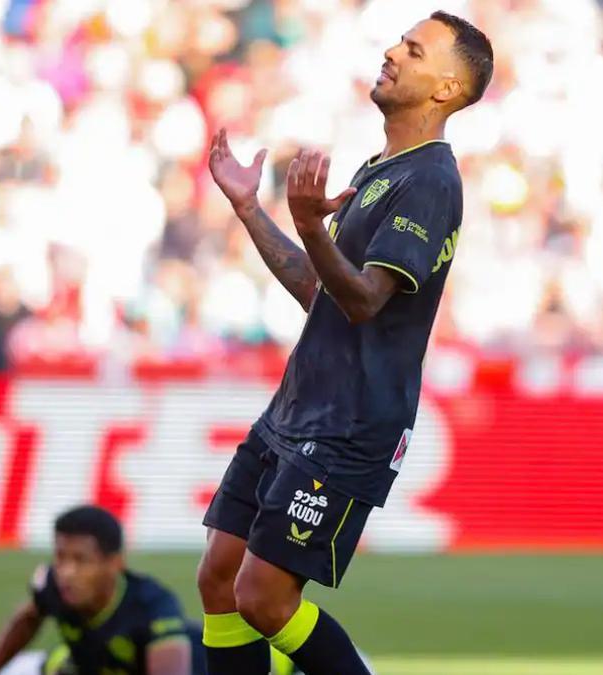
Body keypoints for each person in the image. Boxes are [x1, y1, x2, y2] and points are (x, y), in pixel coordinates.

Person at [197, 11, 493, 675]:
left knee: (263, 598)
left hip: (350, 423)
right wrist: (253, 210)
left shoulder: (431, 182)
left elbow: (364, 300)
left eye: (414, 51)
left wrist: (311, 226)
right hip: (299, 406)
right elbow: (320, 290)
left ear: (446, 89)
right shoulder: (384, 166)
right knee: (219, 578)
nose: (392, 52)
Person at [0, 505, 203, 675]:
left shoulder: (153, 607)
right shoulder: (52, 585)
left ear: (115, 563)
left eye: (81, 560)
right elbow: (27, 620)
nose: (66, 572)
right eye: (60, 557)